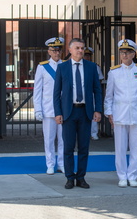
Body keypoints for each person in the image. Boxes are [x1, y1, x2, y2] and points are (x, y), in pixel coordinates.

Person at [53, 38, 102, 189]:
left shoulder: (91, 67)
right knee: (68, 147)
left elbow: (97, 90)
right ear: (70, 50)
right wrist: (58, 113)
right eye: (77, 48)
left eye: (82, 48)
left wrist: (98, 109)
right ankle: (69, 177)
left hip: (85, 112)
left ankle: (81, 177)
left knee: (83, 147)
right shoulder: (63, 68)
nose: (80, 51)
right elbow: (56, 93)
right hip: (69, 112)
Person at [104, 39, 137, 188]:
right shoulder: (114, 72)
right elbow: (109, 96)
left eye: (127, 52)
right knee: (120, 148)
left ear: (133, 54)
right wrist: (109, 113)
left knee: (135, 148)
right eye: (122, 52)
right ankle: (122, 176)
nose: (124, 55)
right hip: (119, 114)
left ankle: (132, 175)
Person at [33, 37, 65, 175]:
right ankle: (50, 164)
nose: (57, 53)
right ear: (49, 51)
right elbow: (37, 90)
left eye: (59, 50)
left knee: (64, 140)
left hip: (64, 109)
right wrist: (38, 109)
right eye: (54, 50)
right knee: (49, 139)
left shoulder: (66, 65)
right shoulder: (42, 67)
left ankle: (62, 164)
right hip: (48, 108)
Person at [83, 47, 104, 141]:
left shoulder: (95, 66)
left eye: (88, 55)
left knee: (93, 114)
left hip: (91, 93)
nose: (87, 57)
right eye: (85, 55)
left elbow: (99, 82)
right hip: (80, 95)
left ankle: (94, 133)